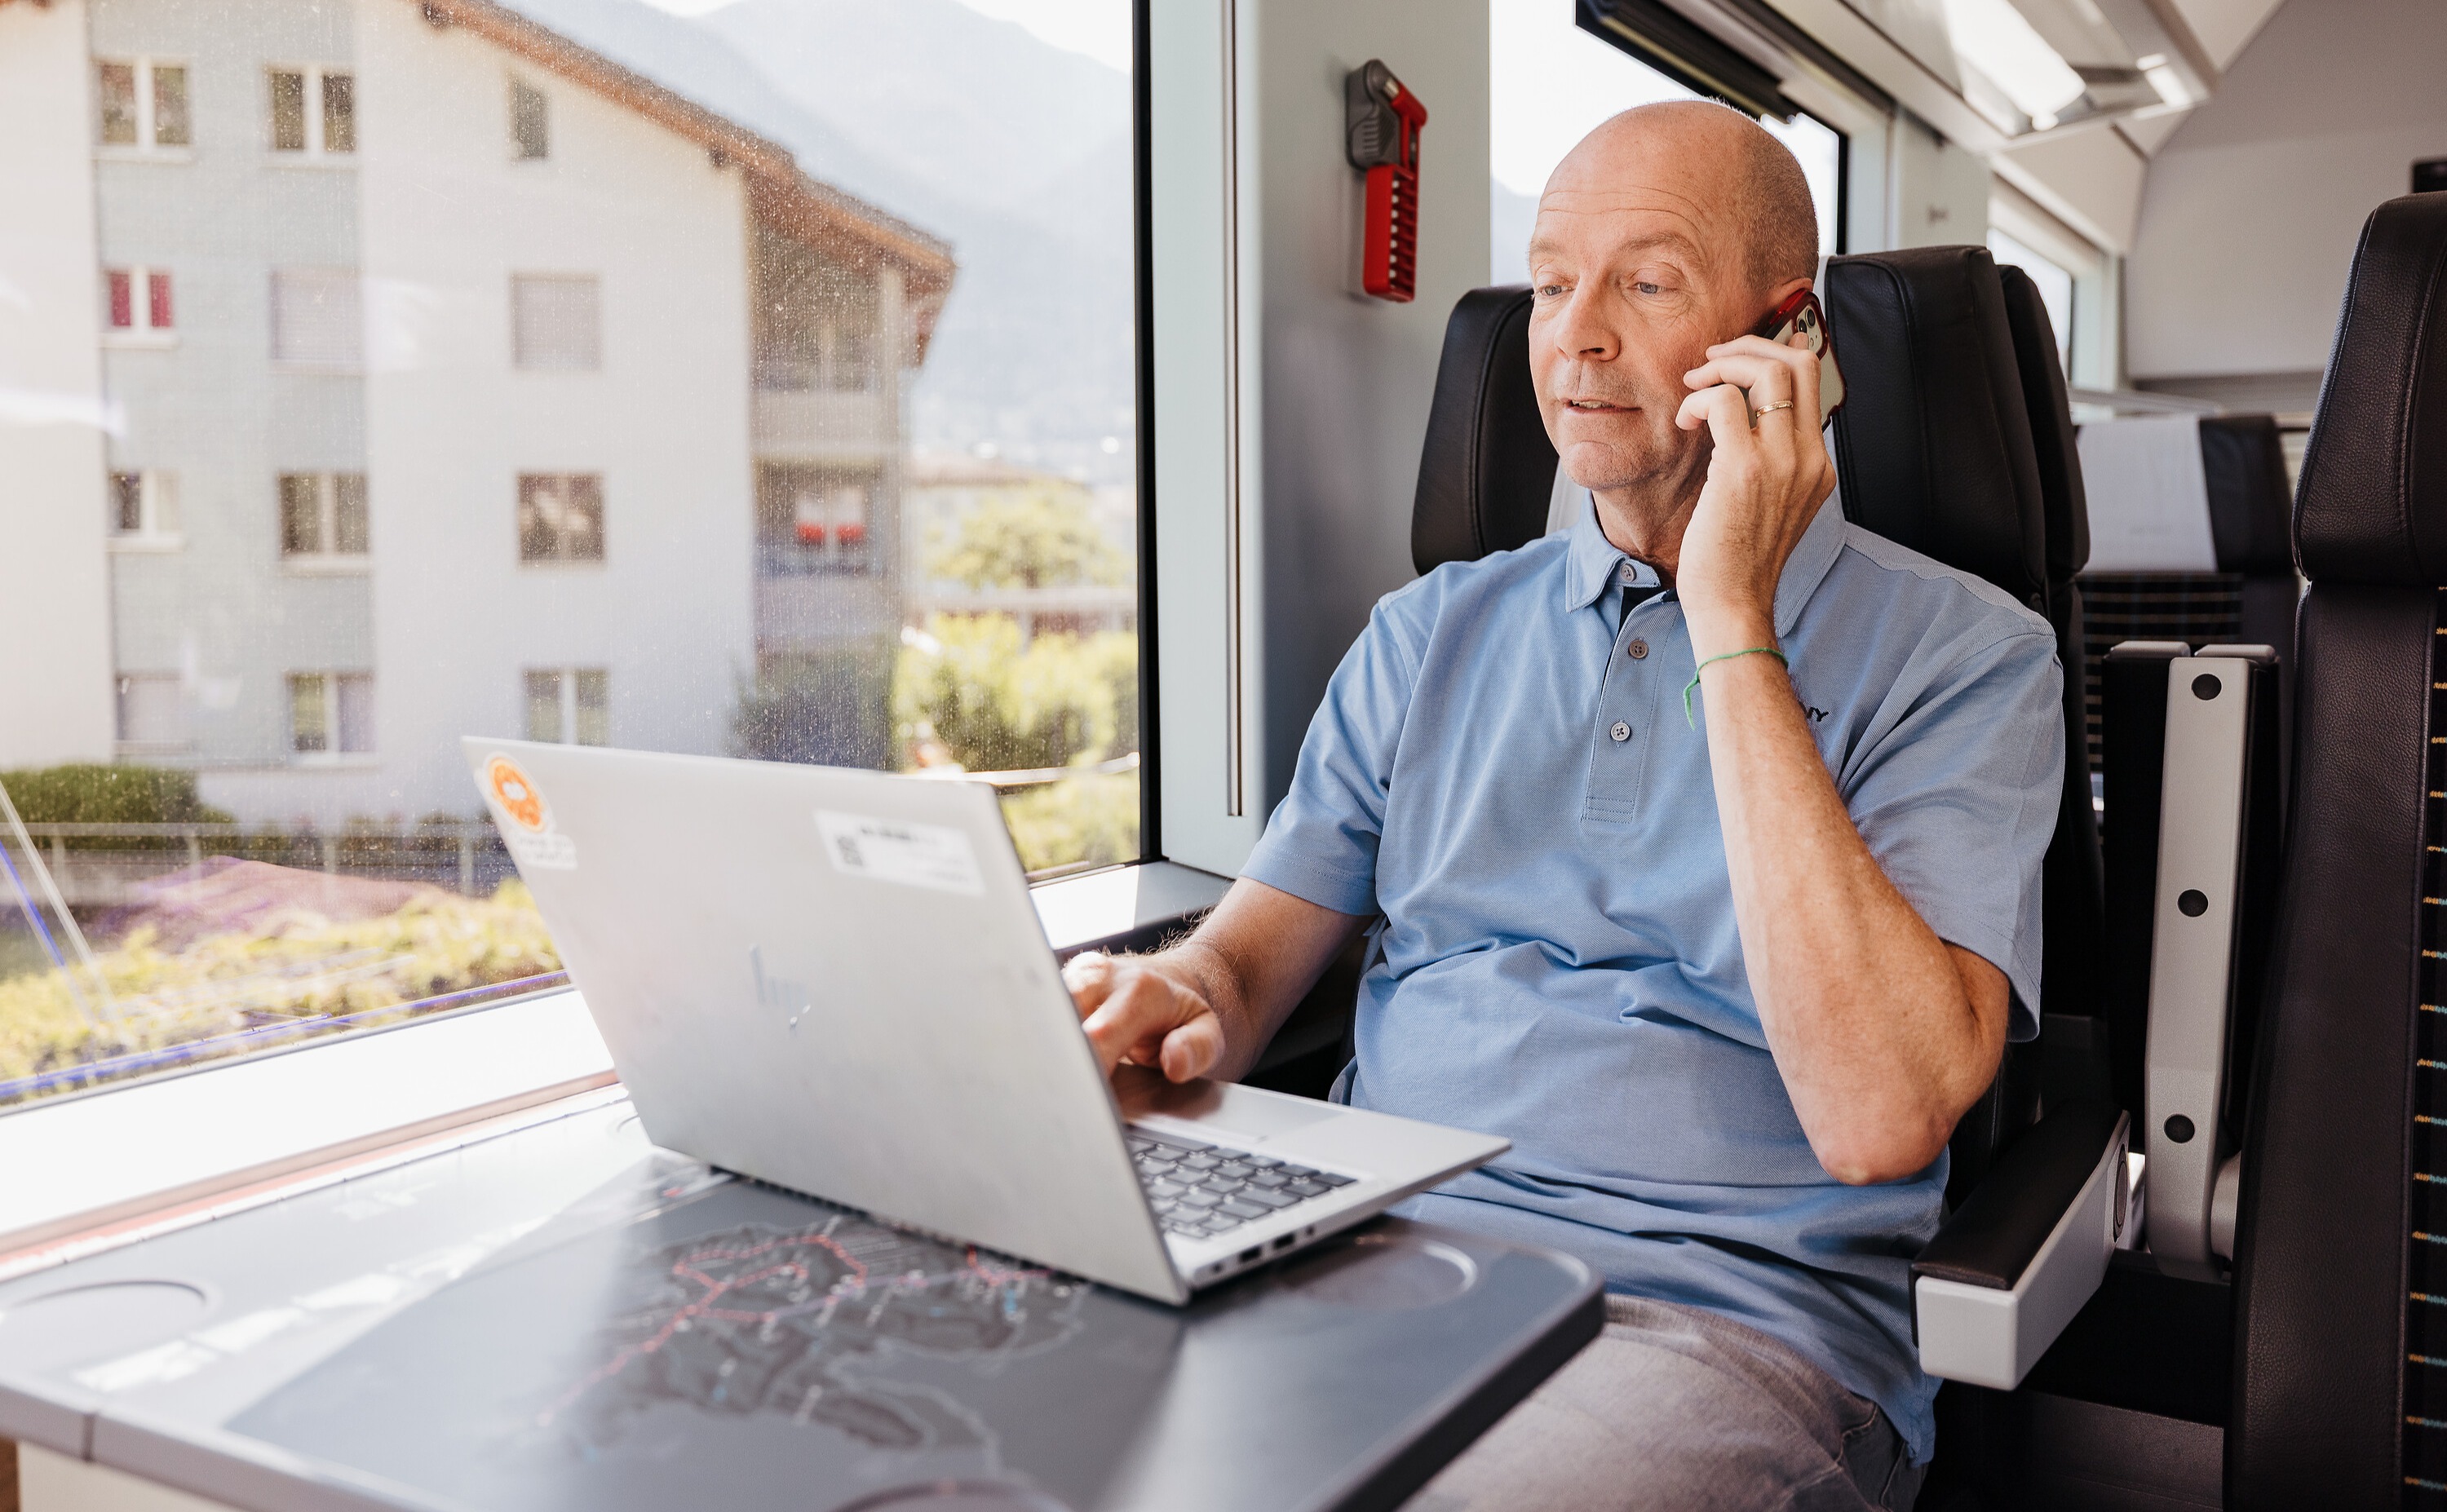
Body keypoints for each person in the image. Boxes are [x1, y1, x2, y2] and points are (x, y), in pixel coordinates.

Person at [1064, 100, 2062, 1510]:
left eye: (1645, 282)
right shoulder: (1426, 634)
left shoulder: (1972, 656)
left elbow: (1878, 1115)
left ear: (1788, 340)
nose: (1575, 336)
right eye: (1549, 282)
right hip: (1356, 1248)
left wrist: (1730, 615)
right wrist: (1181, 1004)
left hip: (1711, 1328)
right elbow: (1239, 965)